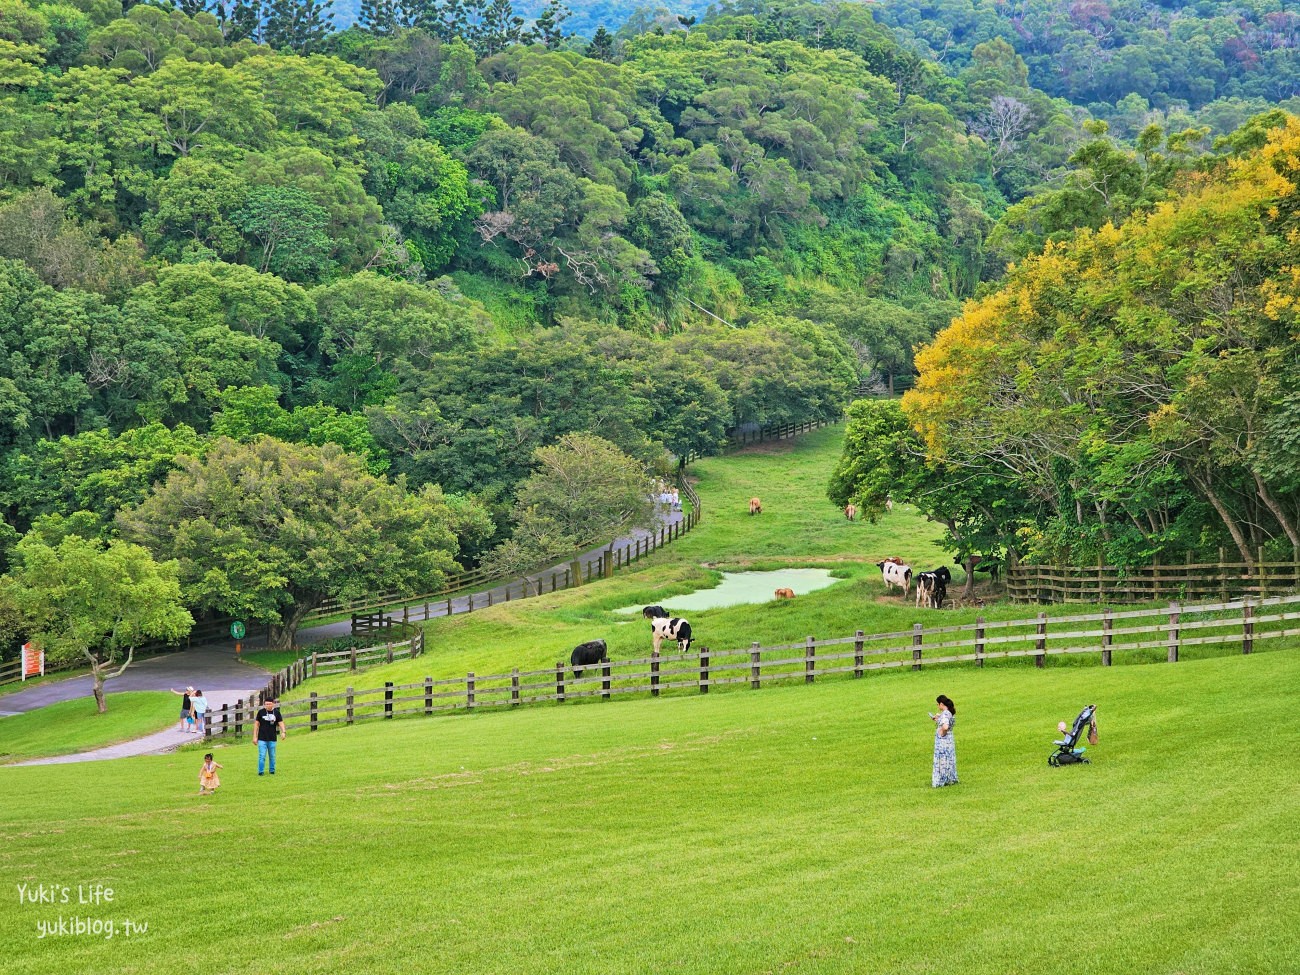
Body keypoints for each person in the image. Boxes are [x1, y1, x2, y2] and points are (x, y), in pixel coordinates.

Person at [930, 694, 958, 787]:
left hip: (943, 742)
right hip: (949, 740)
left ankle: (941, 780)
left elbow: (945, 726)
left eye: (937, 704)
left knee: (941, 759)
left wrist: (942, 732)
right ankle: (949, 778)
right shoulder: (949, 712)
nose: (937, 706)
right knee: (948, 759)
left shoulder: (945, 714)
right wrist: (938, 718)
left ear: (941, 704)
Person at [254, 696, 285, 776]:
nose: (267, 706)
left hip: (272, 738)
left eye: (269, 704)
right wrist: (255, 736)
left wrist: (283, 732)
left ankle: (272, 770)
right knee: (262, 756)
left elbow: (281, 723)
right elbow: (256, 724)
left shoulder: (277, 713)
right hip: (262, 738)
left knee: (272, 756)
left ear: (273, 704)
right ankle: (261, 771)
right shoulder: (261, 712)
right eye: (266, 704)